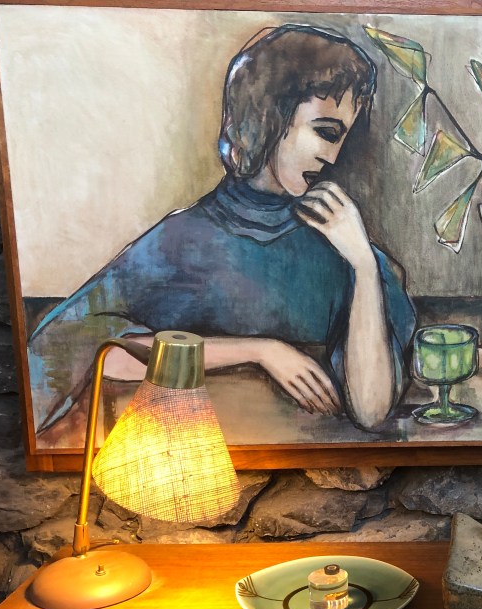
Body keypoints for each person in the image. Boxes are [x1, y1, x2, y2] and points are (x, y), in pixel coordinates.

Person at [27, 24, 416, 439]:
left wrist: (363, 264)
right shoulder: (178, 241)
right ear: (270, 116)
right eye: (326, 132)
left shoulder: (341, 245)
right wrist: (259, 351)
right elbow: (88, 353)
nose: (332, 157)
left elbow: (371, 409)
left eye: (341, 138)